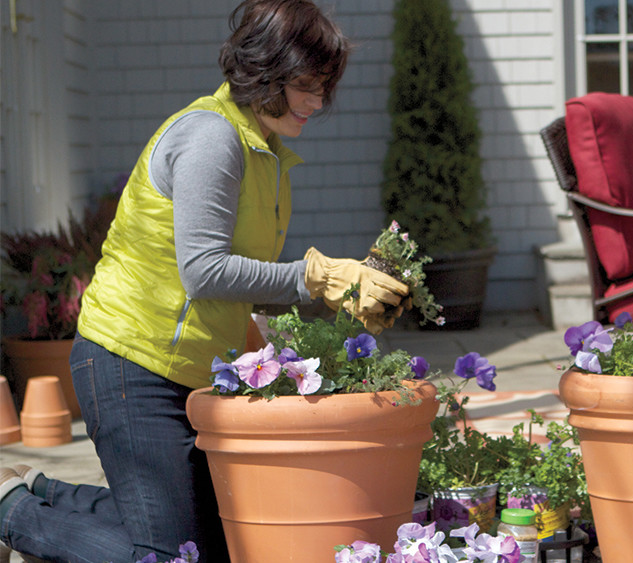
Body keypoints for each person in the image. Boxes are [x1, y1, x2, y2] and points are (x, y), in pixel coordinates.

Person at [0, 1, 409, 560]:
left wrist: (330, 306)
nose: (318, 102)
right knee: (172, 557)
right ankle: (13, 512)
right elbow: (204, 271)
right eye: (307, 85)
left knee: (216, 540)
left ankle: (43, 490)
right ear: (266, 73)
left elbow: (249, 285)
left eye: (325, 87)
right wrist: (317, 277)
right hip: (129, 362)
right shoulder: (212, 140)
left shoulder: (266, 154)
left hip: (189, 373)